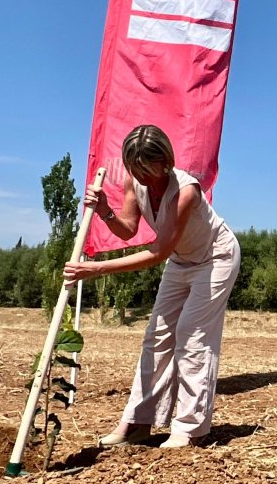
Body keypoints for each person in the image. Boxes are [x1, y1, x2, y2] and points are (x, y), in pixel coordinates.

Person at [63, 124, 241, 449]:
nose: (141, 176)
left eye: (146, 168)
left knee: (192, 337)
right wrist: (105, 211)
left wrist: (96, 269)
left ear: (165, 162)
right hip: (181, 259)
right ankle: (137, 423)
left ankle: (191, 428)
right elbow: (128, 230)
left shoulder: (186, 191)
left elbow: (157, 252)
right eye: (134, 168)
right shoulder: (134, 181)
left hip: (215, 258)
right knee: (157, 336)